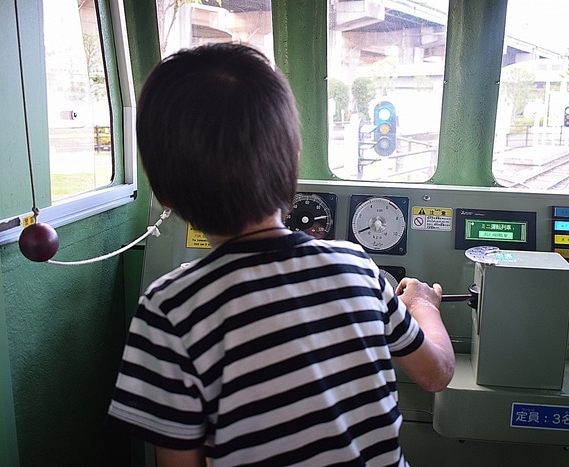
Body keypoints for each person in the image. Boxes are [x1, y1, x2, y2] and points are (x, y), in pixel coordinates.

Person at [107, 42, 455, 466]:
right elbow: (436, 373)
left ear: (162, 193)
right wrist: (423, 304)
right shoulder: (358, 269)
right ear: (292, 162)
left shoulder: (168, 310)